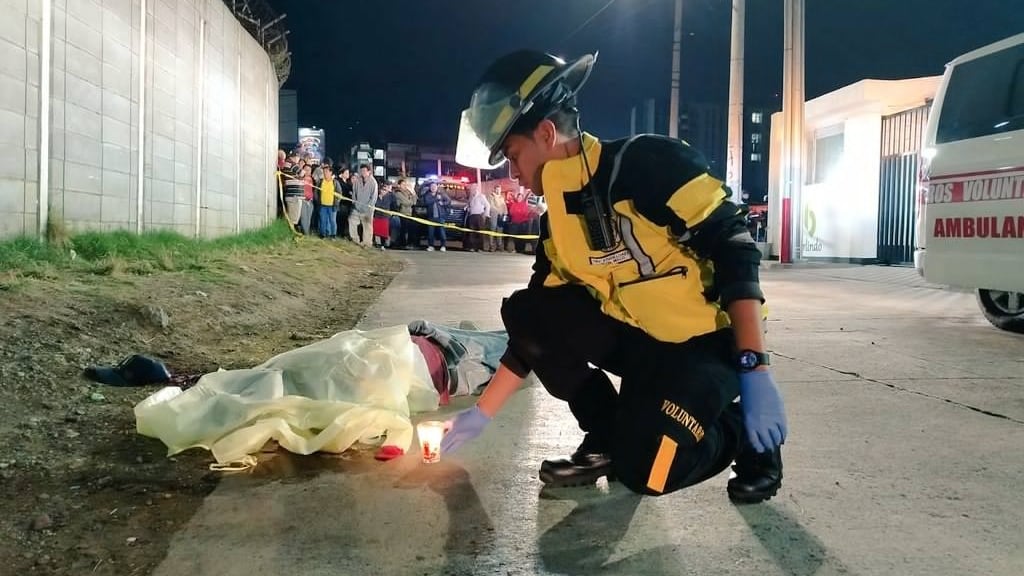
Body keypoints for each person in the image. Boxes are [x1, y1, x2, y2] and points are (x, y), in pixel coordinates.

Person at [441, 50, 787, 503]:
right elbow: (535, 330)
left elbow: (735, 247)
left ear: (545, 133)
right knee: (529, 311)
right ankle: (607, 436)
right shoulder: (558, 224)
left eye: (513, 155)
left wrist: (754, 367)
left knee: (650, 472)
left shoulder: (645, 164)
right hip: (645, 344)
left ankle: (742, 434)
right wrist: (483, 413)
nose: (514, 173)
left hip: (708, 345)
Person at [349, 165, 378, 248]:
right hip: (357, 207)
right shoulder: (357, 181)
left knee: (367, 226)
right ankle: (355, 240)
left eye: (365, 171)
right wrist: (355, 204)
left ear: (369, 172)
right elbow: (354, 194)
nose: (363, 173)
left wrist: (367, 207)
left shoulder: (373, 182)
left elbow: (374, 197)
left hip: (368, 209)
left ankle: (367, 243)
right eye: (362, 171)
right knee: (351, 221)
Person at [422, 182, 450, 252]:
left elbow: (448, 201)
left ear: (437, 187)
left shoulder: (441, 194)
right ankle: (431, 246)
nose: (433, 188)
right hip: (431, 217)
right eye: (432, 186)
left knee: (442, 232)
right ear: (430, 188)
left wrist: (443, 203)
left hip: (440, 217)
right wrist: (436, 199)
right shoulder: (427, 195)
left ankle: (443, 246)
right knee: (430, 233)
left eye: (434, 186)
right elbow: (427, 202)